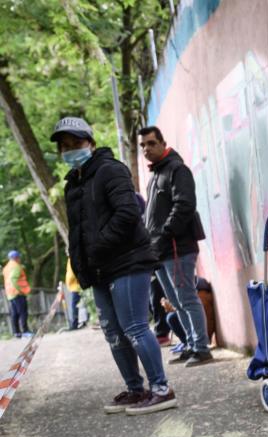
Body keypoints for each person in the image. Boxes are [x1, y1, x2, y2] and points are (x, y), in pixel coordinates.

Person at [52, 116, 178, 415]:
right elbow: (78, 232)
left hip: (128, 261)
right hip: (98, 268)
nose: (70, 150)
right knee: (112, 331)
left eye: (75, 143)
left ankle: (162, 389)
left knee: (134, 326)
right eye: (64, 146)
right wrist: (82, 263)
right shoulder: (73, 185)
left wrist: (98, 245)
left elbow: (127, 213)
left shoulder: (110, 171)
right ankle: (136, 390)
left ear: (90, 143)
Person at [138, 125, 212, 366]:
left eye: (150, 143)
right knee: (175, 300)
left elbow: (184, 205)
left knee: (187, 297)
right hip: (159, 251)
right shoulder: (156, 175)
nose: (146, 149)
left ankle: (201, 348)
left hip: (178, 247)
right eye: (142, 145)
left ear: (162, 143)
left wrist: (164, 233)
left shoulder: (177, 170)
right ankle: (191, 344)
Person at [3, 250, 31, 338]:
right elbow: (13, 279)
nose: (19, 259)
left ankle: (17, 332)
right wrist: (21, 290)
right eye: (19, 257)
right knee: (23, 312)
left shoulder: (6, 267)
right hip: (17, 292)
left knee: (15, 313)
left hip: (10, 293)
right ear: (16, 258)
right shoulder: (16, 266)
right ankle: (25, 331)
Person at [64, 258, 82, 330]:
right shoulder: (70, 258)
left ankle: (75, 324)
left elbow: (72, 273)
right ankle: (75, 323)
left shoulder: (72, 257)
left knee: (75, 305)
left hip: (76, 286)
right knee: (75, 305)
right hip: (73, 286)